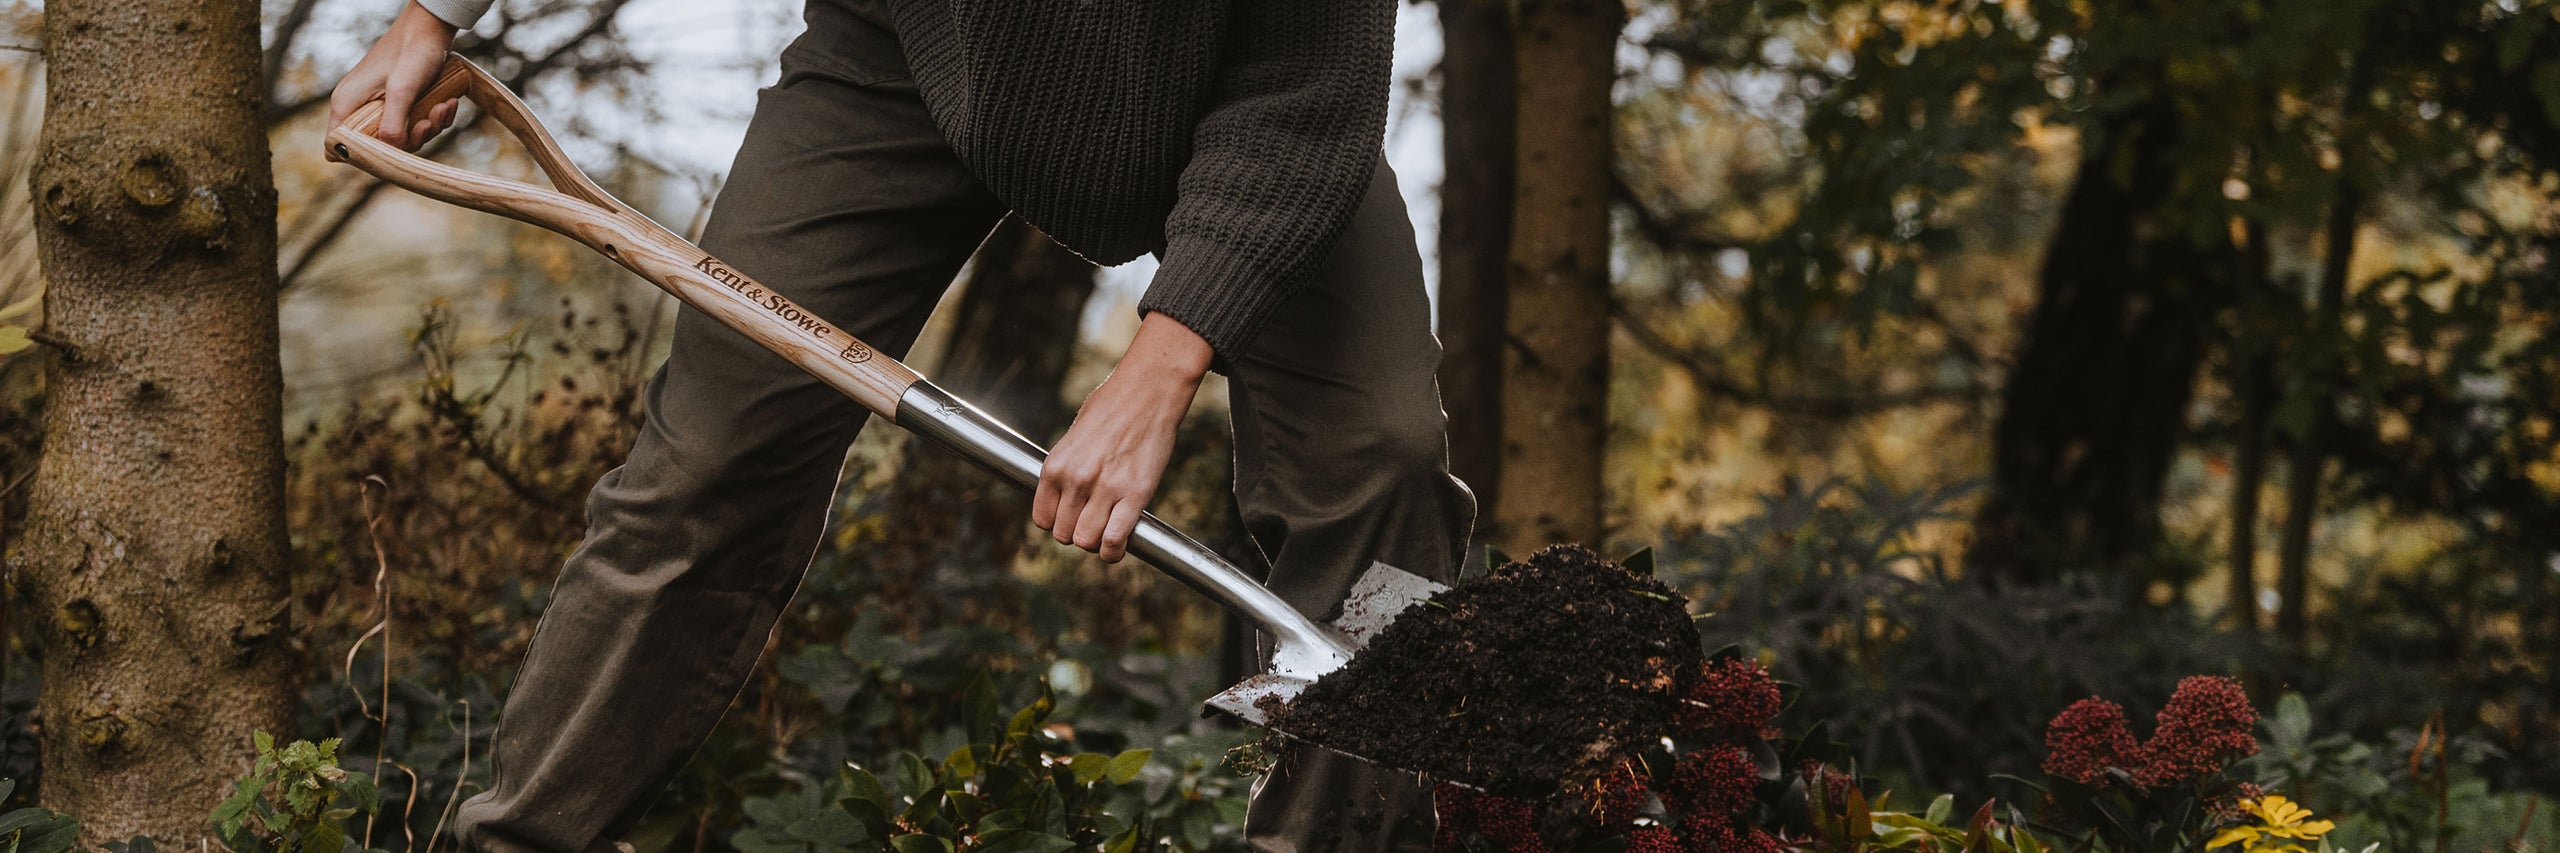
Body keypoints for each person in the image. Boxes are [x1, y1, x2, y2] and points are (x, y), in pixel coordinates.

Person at [329, 1, 1476, 851]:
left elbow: (1311, 88)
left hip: (1253, 98)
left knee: (1381, 460)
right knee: (708, 463)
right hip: (910, 47)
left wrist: (1162, 364)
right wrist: (433, 14)